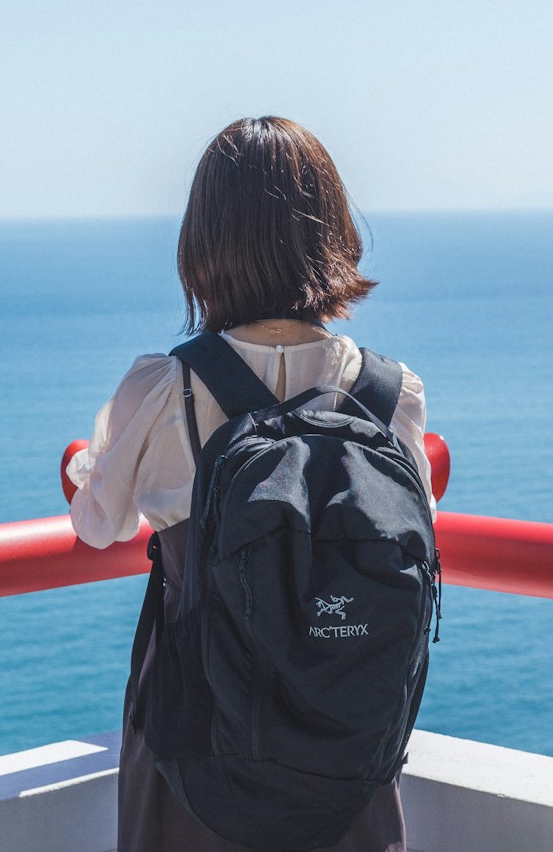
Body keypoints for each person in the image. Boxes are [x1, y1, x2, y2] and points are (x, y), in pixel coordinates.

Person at [66, 115, 434, 852]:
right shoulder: (393, 392)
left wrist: (84, 465)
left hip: (200, 741)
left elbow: (97, 523)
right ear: (332, 232)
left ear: (204, 245)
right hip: (344, 736)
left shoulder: (169, 386)